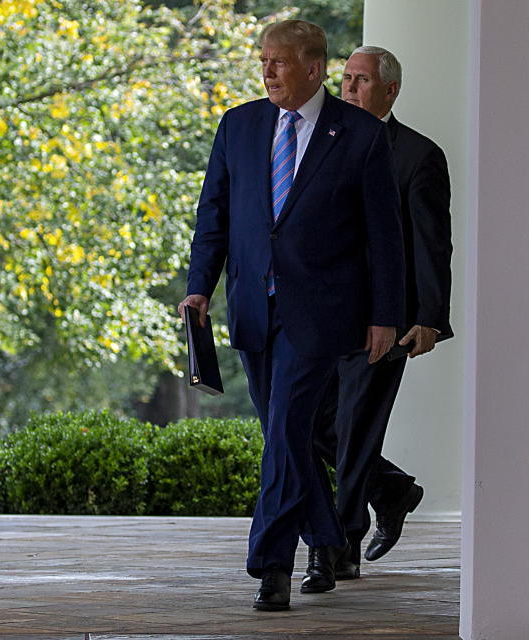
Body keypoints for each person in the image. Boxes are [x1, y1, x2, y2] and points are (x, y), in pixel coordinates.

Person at [177, 20, 405, 611]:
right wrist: (199, 287)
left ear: (313, 68)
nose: (267, 72)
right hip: (253, 306)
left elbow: (386, 236)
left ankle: (271, 565)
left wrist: (385, 315)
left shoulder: (358, 134)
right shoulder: (239, 125)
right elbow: (214, 217)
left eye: (279, 62)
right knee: (289, 437)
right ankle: (327, 541)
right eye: (263, 61)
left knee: (284, 429)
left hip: (322, 313)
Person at [309, 45, 453, 581]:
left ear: (390, 90)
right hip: (322, 317)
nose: (348, 89)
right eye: (345, 79)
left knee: (355, 427)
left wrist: (430, 316)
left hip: (386, 320)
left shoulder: (418, 155)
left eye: (361, 80)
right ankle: (390, 490)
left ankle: (337, 548)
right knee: (308, 425)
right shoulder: (319, 144)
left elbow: (432, 243)